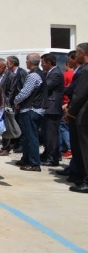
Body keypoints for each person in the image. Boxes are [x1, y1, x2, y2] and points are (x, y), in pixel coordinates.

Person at [14, 53, 46, 171]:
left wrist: (16, 101)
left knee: (31, 137)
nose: (26, 62)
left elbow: (25, 92)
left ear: (31, 62)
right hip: (34, 109)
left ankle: (34, 163)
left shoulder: (33, 75)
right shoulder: (39, 73)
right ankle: (26, 159)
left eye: (27, 60)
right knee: (28, 136)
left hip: (31, 109)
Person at [65, 42, 88, 193]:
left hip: (84, 114)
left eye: (78, 52)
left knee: (85, 148)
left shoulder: (86, 71)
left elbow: (80, 95)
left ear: (83, 53)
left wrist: (71, 111)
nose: (76, 55)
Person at [41, 53, 65, 167]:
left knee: (52, 135)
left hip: (53, 108)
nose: (42, 65)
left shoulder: (56, 74)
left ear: (49, 63)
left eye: (43, 63)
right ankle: (48, 153)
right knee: (46, 134)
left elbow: (46, 86)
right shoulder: (49, 73)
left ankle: (53, 157)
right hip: (48, 107)